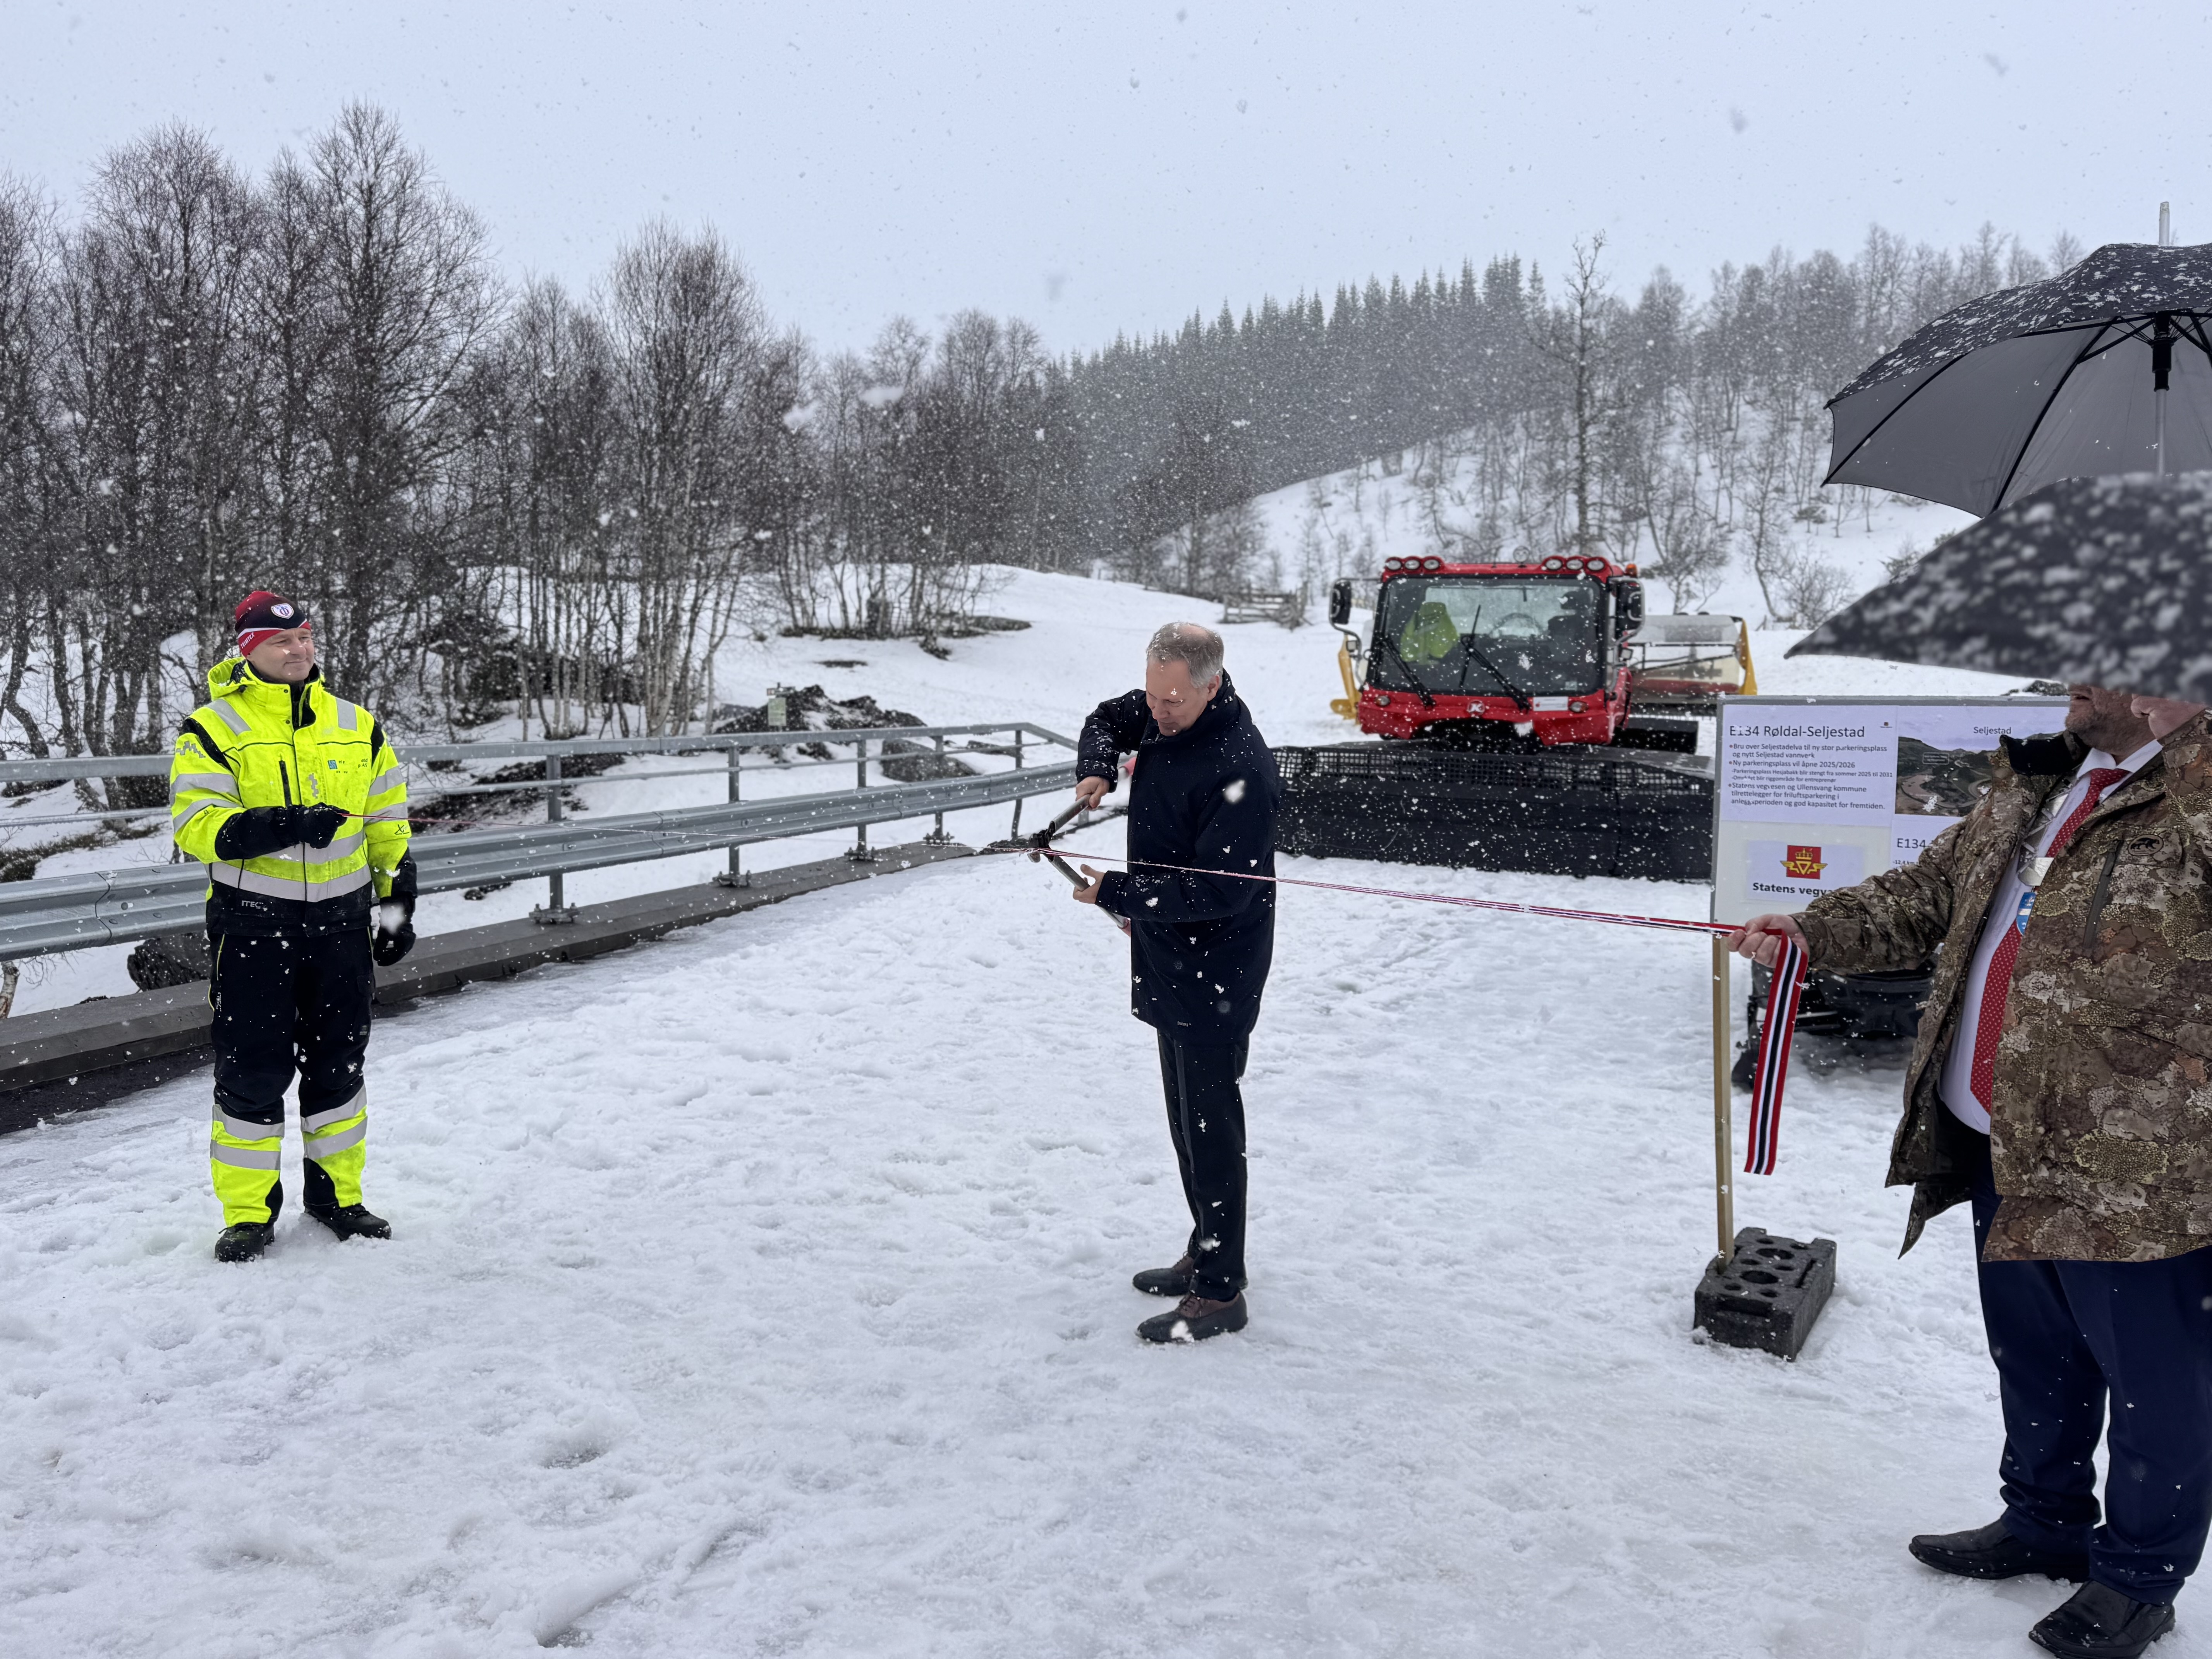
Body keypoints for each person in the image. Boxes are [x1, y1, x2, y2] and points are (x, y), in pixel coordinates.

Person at [1729, 684, 2212, 1659]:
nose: (2075, 678)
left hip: (2138, 1171)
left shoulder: (2192, 795)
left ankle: (2138, 1581)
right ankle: (2043, 1518)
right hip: (2002, 1138)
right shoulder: (2043, 782)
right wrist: (1813, 931)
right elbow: (1930, 892)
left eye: (2106, 658)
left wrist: (2197, 741)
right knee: (2037, 1354)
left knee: (2157, 1384)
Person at [169, 592, 418, 1263]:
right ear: (249, 650)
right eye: (282, 642)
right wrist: (283, 824)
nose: (299, 650)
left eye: (305, 637)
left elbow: (388, 828)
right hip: (253, 932)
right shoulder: (211, 728)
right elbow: (198, 826)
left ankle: (338, 1200)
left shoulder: (356, 724)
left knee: (339, 1069)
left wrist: (396, 910)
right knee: (253, 1074)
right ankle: (249, 1217)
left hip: (340, 932)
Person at [1071, 622, 1281, 1344]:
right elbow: (1108, 718)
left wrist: (1118, 894)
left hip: (1215, 970)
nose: (1156, 713)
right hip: (1173, 960)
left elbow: (1220, 892)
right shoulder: (1168, 706)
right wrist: (1098, 767)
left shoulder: (1241, 769)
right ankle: (1205, 1250)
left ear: (1211, 686)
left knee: (1212, 1132)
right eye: (1154, 696)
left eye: (1172, 703)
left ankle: (1221, 1293)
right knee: (1187, 1125)